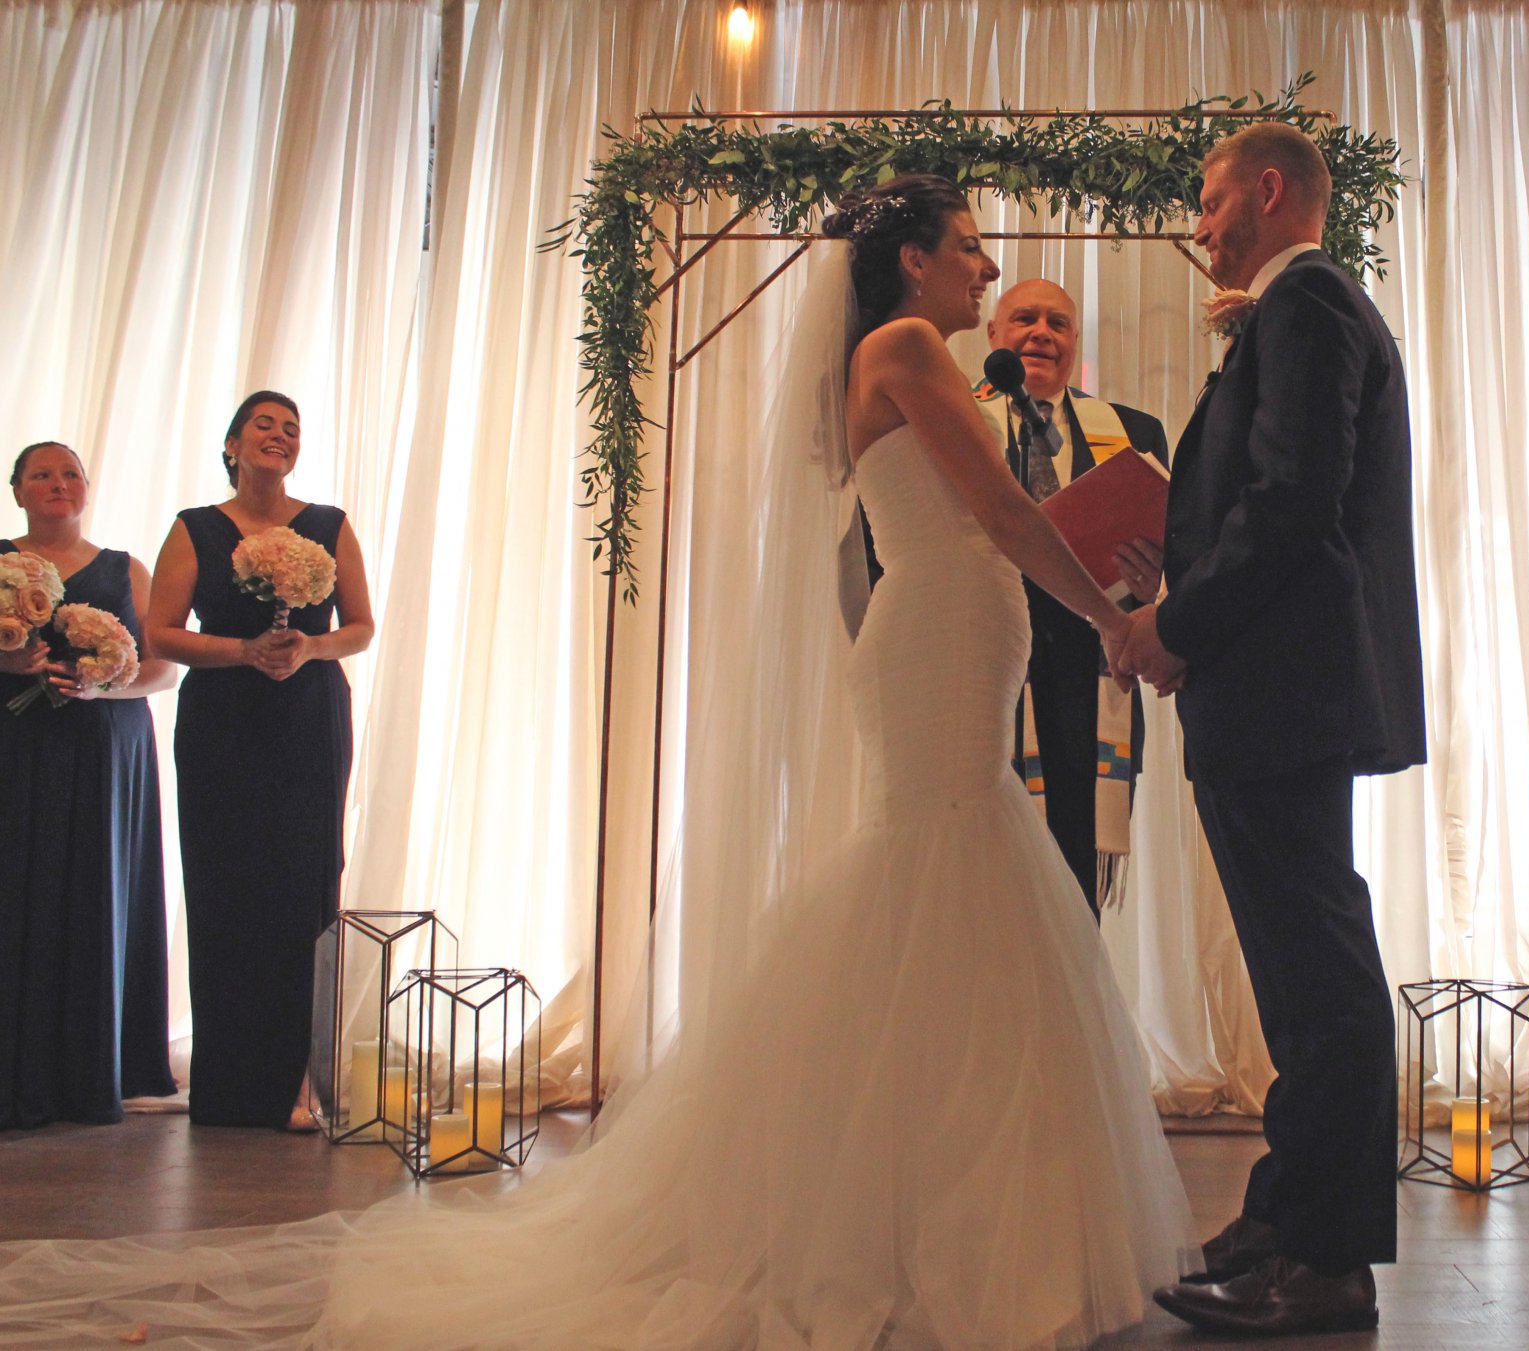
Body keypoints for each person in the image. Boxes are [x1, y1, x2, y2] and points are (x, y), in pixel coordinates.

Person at [0, 177, 1190, 1347]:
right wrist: (1111, 620)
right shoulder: (909, 344)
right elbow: (1001, 515)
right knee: (943, 869)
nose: (987, 267)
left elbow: (987, 517)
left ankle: (912, 1196)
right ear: (915, 260)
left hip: (950, 627)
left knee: (937, 877)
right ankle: (936, 1212)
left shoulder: (890, 352)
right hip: (942, 628)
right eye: (969, 246)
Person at [1120, 123, 1424, 1335]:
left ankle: (1327, 1259)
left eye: (1206, 201)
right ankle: (1285, 1213)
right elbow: (1267, 498)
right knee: (1299, 981)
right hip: (1276, 689)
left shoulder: (1304, 303)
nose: (1199, 226)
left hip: (1281, 690)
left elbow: (1292, 499)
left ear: (1264, 188)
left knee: (1319, 980)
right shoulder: (1297, 309)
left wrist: (1177, 623)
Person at [145, 393, 376, 1130]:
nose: (280, 436)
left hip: (308, 717)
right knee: (226, 886)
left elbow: (361, 627)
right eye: (264, 425)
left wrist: (309, 647)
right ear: (232, 445)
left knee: (304, 885)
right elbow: (161, 634)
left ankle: (298, 1085)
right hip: (222, 722)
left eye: (291, 429)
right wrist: (245, 650)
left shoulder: (328, 525)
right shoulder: (195, 528)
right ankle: (227, 1087)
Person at [976, 277, 1169, 915]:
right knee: (984, 877)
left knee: (1073, 886)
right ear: (993, 335)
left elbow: (1171, 554)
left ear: (1075, 342)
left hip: (1092, 679)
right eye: (1024, 319)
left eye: (1057, 324)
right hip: (983, 670)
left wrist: (1153, 583)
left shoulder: (1133, 433)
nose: (1041, 334)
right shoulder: (959, 423)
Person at [0, 442, 177, 1129]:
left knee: (96, 891)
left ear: (86, 487)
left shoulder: (125, 568)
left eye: (70, 472)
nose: (58, 483)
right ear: (17, 490)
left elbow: (162, 668)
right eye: (41, 474)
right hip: (16, 744)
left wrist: (104, 686)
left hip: (106, 748)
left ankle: (93, 1068)